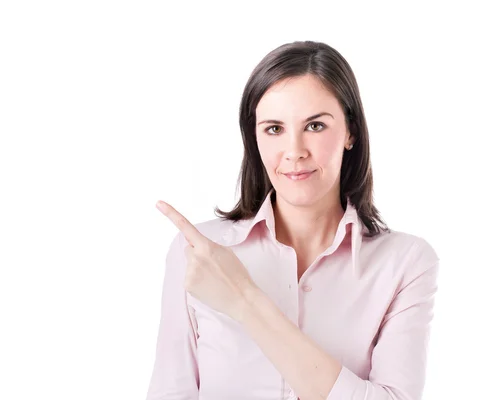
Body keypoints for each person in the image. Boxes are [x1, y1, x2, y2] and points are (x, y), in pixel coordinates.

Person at [146, 40, 440, 400]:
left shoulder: (405, 263)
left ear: (351, 132)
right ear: (254, 138)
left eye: (315, 126)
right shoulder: (198, 253)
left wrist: (244, 300)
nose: (294, 151)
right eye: (274, 129)